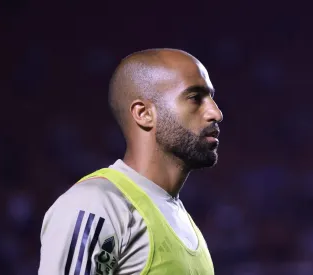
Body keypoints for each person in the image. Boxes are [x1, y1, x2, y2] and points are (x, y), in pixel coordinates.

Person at [38, 48, 223, 275]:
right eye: (195, 98)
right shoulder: (97, 204)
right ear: (143, 113)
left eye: (211, 98)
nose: (215, 112)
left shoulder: (184, 223)